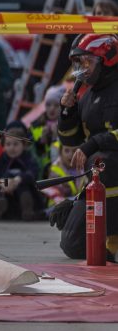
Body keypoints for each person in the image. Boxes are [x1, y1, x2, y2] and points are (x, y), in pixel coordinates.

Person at [52, 34, 118, 260]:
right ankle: (105, 244)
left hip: (109, 169)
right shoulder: (88, 95)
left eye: (87, 62)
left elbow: (94, 144)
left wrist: (92, 145)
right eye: (78, 63)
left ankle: (112, 239)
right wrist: (67, 112)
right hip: (99, 179)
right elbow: (70, 141)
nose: (82, 69)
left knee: (102, 161)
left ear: (107, 59)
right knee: (73, 245)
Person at [0, 122, 43, 221]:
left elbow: (33, 173)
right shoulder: (1, 160)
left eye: (16, 144)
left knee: (26, 186)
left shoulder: (28, 158)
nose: (12, 148)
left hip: (21, 189)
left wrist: (18, 180)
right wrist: (3, 183)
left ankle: (27, 208)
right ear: (4, 145)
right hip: (5, 191)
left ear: (24, 145)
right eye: (8, 144)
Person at [41, 144, 83, 210]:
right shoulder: (55, 169)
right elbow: (60, 192)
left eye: (75, 151)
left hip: (76, 204)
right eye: (66, 151)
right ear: (60, 153)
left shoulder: (83, 167)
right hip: (56, 205)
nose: (71, 154)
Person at [32, 85, 65, 168]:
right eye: (48, 105)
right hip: (40, 170)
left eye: (56, 105)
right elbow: (33, 153)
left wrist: (55, 138)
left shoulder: (66, 125)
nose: (52, 109)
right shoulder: (36, 125)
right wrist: (41, 141)